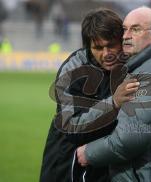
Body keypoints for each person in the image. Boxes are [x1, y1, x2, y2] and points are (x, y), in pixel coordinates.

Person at [75, 7, 151, 181]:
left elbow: (133, 137)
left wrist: (88, 153)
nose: (126, 36)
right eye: (125, 29)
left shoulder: (150, 73)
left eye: (136, 29)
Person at [40, 8, 139, 182]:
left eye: (111, 45)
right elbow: (72, 128)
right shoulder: (73, 72)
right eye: (98, 47)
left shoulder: (130, 59)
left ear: (121, 40)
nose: (106, 54)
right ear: (88, 46)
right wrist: (113, 103)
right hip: (68, 162)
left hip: (105, 160)